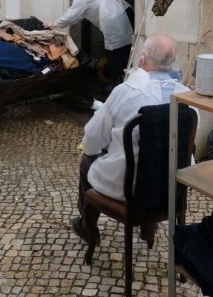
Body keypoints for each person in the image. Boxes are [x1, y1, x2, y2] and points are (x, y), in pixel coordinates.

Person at [70, 34, 190, 241]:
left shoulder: (126, 91)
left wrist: (101, 151)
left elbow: (92, 139)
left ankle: (87, 226)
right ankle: (147, 229)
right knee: (156, 157)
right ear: (172, 63)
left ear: (142, 60)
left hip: (131, 187)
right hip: (172, 186)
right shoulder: (186, 97)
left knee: (88, 158)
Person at [44, 0, 133, 82]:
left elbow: (70, 16)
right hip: (124, 11)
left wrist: (54, 24)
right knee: (127, 46)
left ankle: (116, 80)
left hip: (115, 19)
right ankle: (124, 76)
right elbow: (79, 15)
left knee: (115, 49)